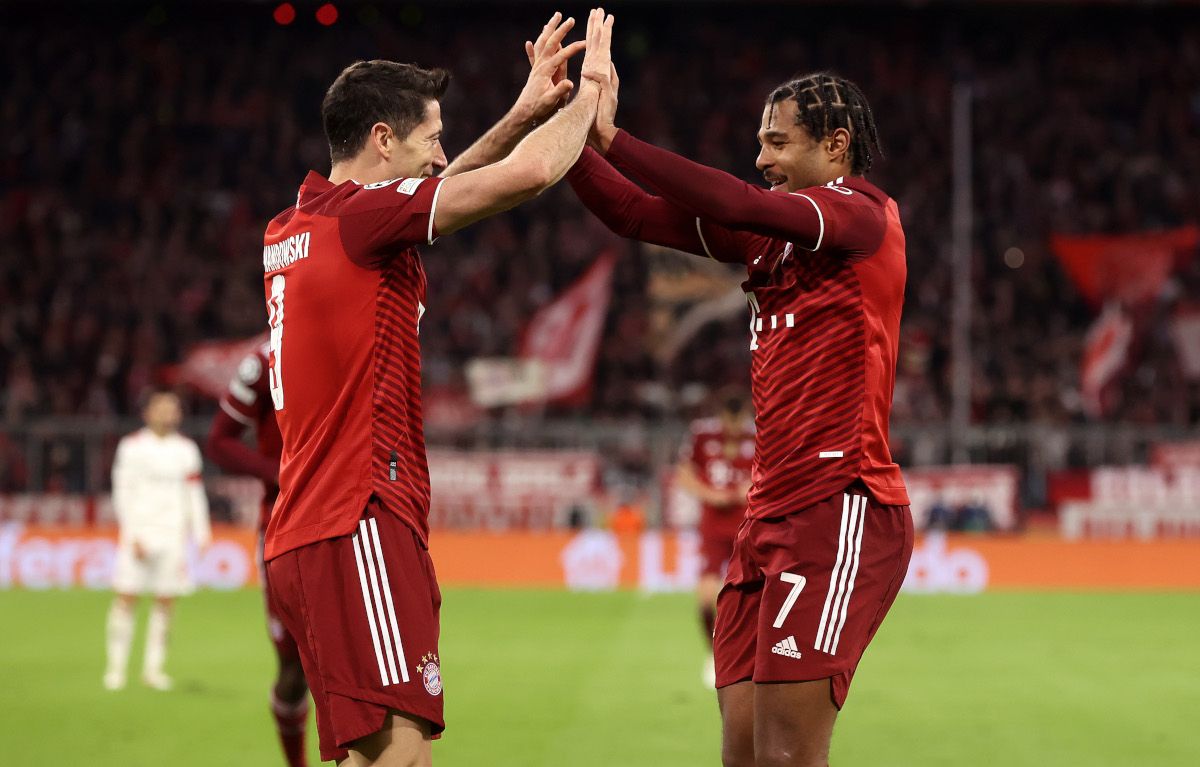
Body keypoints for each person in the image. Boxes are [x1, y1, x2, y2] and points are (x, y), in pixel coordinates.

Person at [259, 10, 614, 765]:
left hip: (315, 526)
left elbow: (436, 190)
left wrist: (521, 112)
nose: (443, 153)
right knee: (400, 756)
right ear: (383, 139)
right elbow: (525, 177)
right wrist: (588, 94)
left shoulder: (299, 224)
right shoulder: (360, 224)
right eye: (431, 136)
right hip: (358, 517)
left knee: (384, 755)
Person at [568, 67, 914, 767]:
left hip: (838, 501)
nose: (762, 159)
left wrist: (614, 136)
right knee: (746, 757)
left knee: (788, 756)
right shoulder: (769, 238)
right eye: (761, 144)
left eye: (778, 143)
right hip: (766, 517)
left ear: (836, 144)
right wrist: (567, 127)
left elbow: (740, 201)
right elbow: (632, 213)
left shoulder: (861, 214)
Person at [205, 343, 310, 767]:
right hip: (283, 527)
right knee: (294, 669)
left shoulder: (350, 339)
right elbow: (218, 441)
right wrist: (279, 474)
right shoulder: (265, 359)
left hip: (349, 521)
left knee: (349, 665)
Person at [104, 390, 211, 692]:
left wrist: (201, 531)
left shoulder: (187, 450)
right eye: (161, 408)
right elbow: (122, 492)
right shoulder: (131, 447)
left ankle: (153, 669)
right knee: (127, 597)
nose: (167, 413)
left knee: (165, 601)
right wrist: (131, 533)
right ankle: (116, 669)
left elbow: (193, 492)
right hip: (140, 533)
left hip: (173, 534)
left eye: (172, 408)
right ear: (147, 413)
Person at [675, 391, 755, 687]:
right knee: (706, 600)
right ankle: (714, 654)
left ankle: (746, 658)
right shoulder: (702, 434)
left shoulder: (759, 434)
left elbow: (775, 472)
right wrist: (713, 495)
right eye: (729, 421)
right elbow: (683, 475)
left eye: (740, 421)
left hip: (750, 525)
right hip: (713, 527)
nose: (734, 428)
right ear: (721, 415)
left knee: (747, 599)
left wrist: (749, 487)